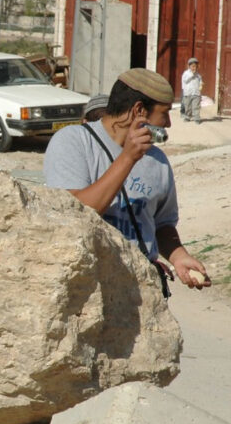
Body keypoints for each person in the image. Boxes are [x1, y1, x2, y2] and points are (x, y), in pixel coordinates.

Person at [44, 68, 210, 292]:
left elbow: (161, 224)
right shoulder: (73, 142)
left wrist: (179, 256)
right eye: (165, 113)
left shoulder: (158, 161)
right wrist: (128, 158)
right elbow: (74, 214)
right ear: (139, 110)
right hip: (90, 289)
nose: (168, 123)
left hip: (141, 290)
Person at [181, 57, 203, 124]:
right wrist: (192, 74)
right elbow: (185, 80)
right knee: (188, 106)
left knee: (196, 106)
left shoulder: (198, 75)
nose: (194, 68)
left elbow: (200, 81)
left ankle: (197, 118)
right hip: (188, 93)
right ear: (189, 66)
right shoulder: (186, 73)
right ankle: (187, 117)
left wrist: (201, 84)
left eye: (195, 66)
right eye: (192, 66)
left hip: (196, 93)